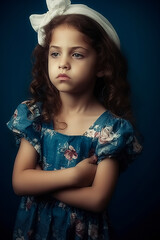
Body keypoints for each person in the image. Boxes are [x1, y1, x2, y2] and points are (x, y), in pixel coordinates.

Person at [7, 0, 142, 239]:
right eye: (55, 53)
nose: (63, 63)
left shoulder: (111, 129)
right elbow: (20, 182)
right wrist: (74, 177)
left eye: (77, 54)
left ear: (101, 65)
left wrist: (42, 184)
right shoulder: (36, 116)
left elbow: (97, 199)